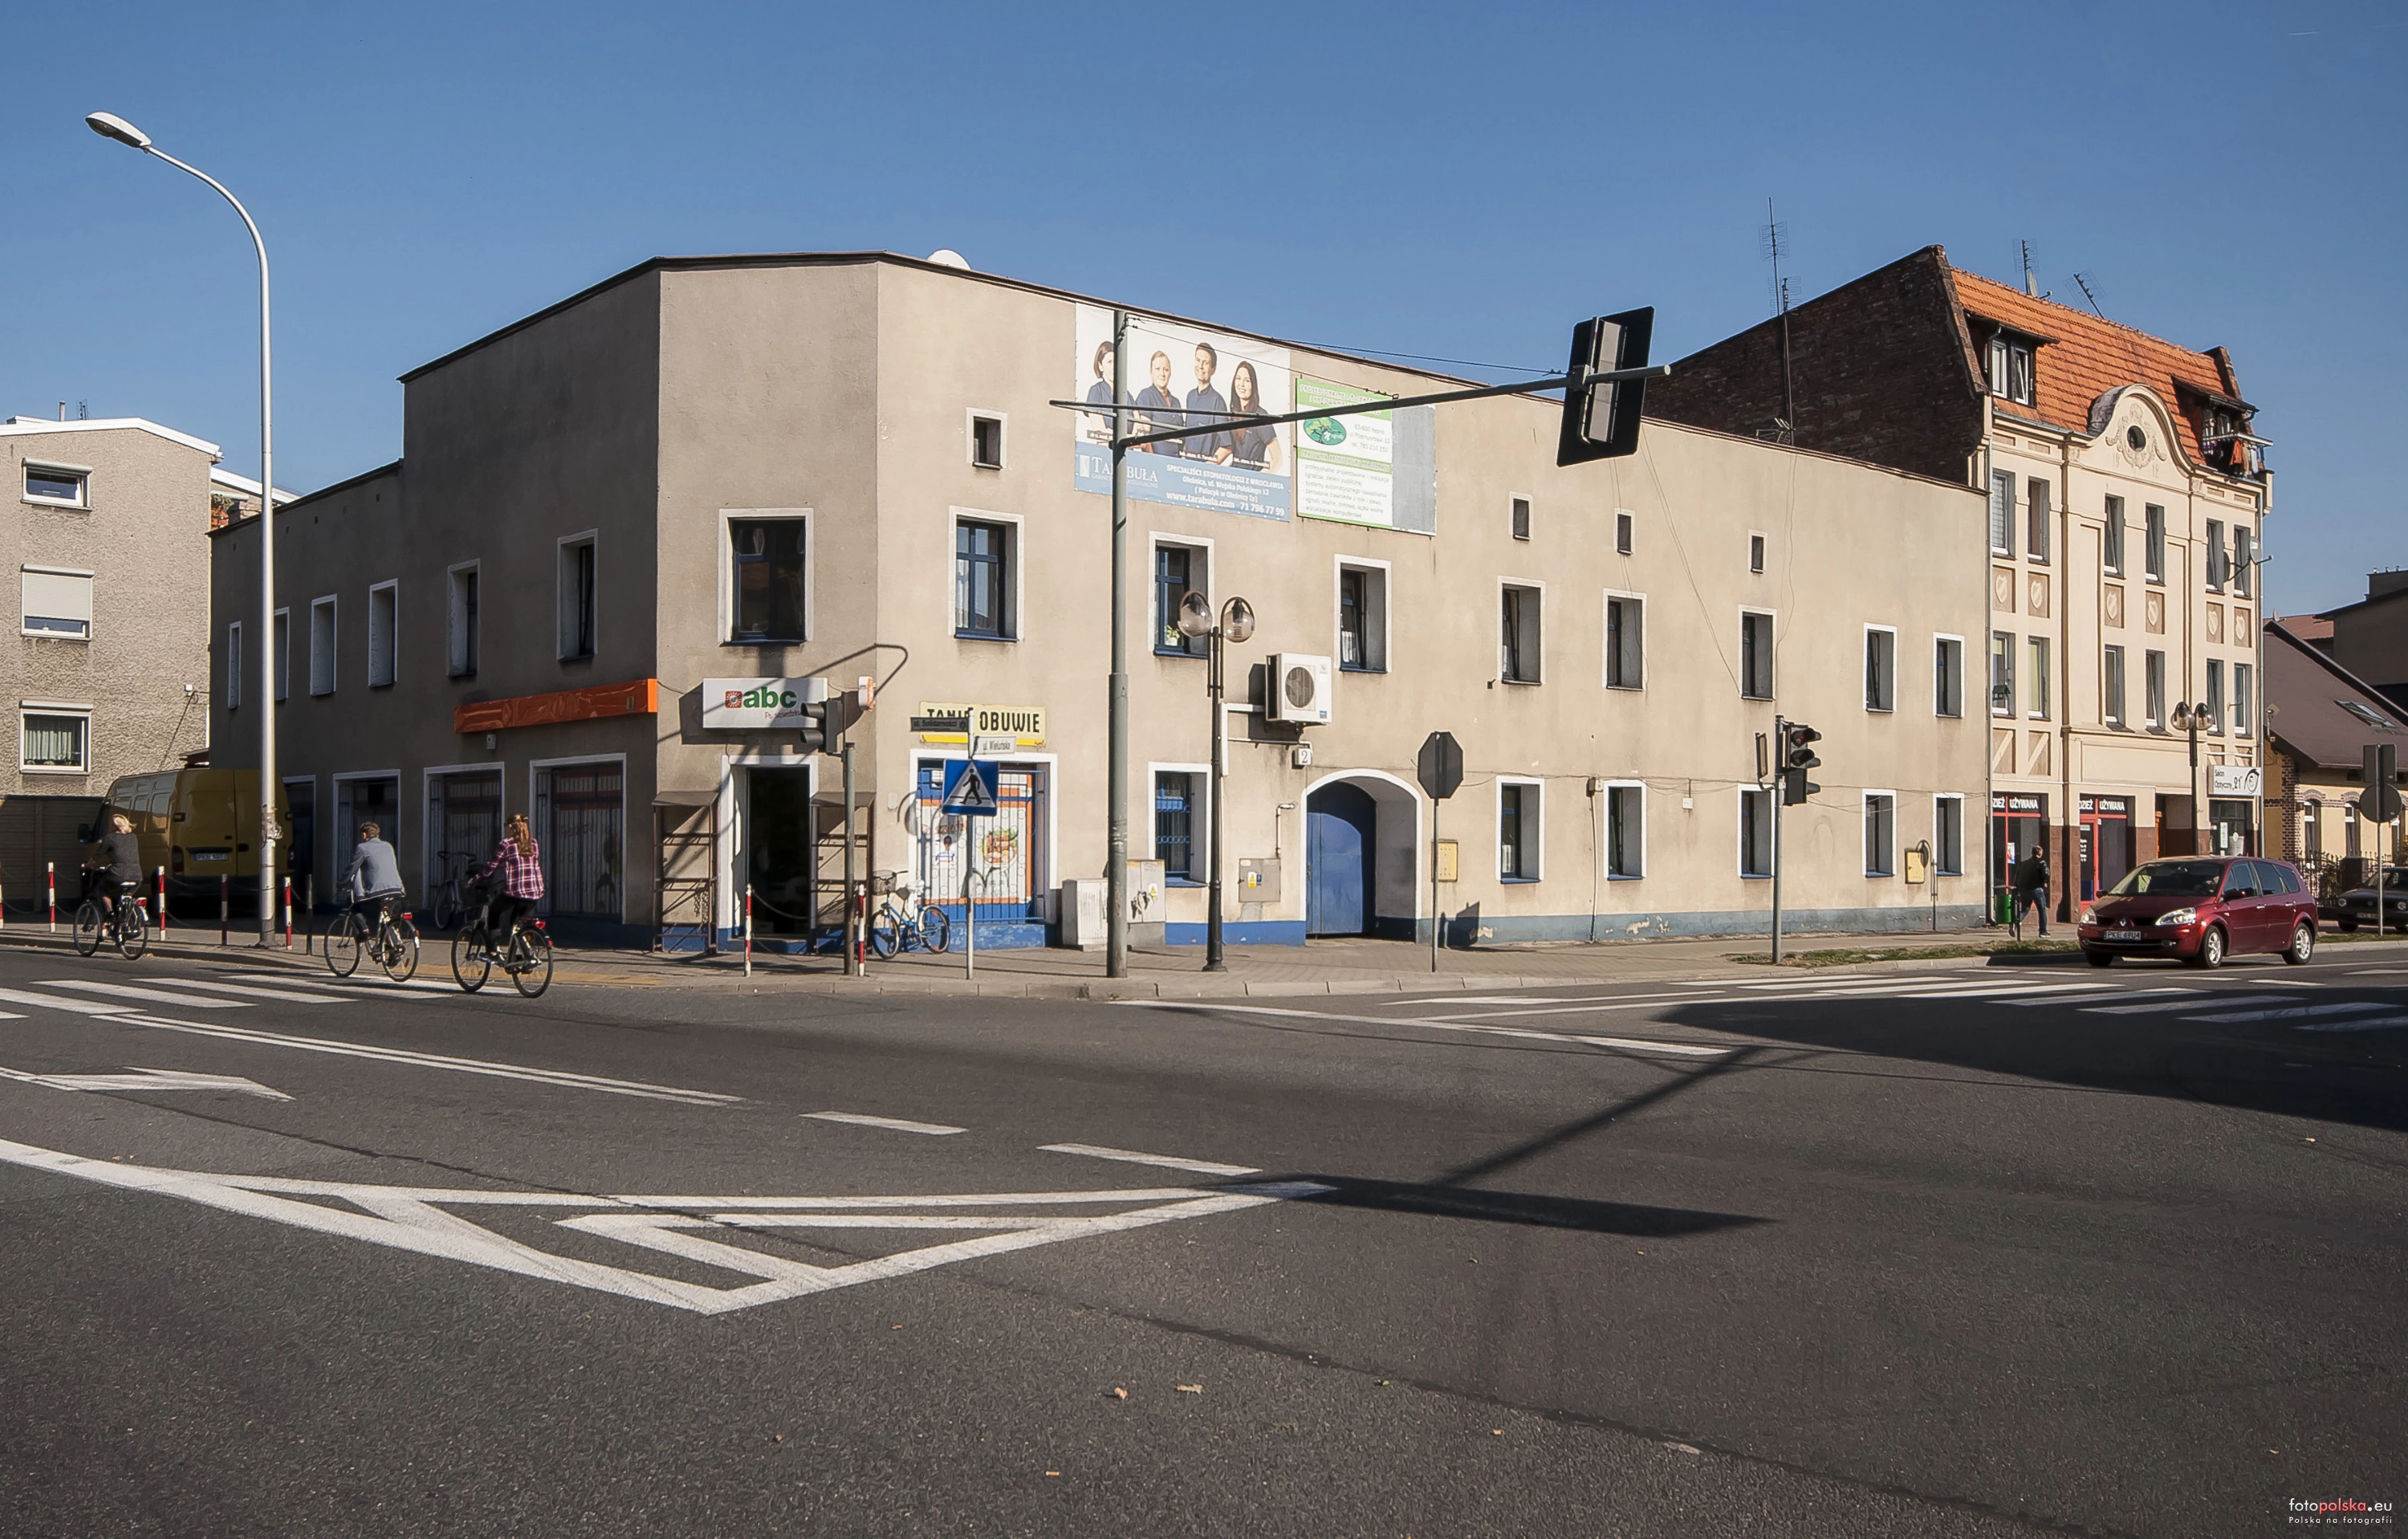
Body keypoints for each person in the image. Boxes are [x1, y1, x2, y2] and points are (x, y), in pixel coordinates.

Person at [474, 812, 546, 954]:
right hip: (535, 892)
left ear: (511, 827)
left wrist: (479, 877)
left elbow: (492, 866)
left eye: (507, 826)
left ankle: (494, 950)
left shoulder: (506, 844)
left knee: (494, 911)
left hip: (516, 892)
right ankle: (527, 956)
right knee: (516, 923)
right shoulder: (533, 843)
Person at [342, 820, 406, 933]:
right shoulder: (388, 846)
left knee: (355, 906)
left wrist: (340, 884)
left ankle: (364, 930)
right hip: (397, 891)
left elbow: (352, 869)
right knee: (387, 920)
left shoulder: (362, 848)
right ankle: (391, 941)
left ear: (364, 835)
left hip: (378, 894)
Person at [1224, 360, 1282, 472]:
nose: (1241, 384)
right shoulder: (1233, 414)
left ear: (1253, 385)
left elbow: (1277, 459)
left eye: (1247, 380)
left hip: (1251, 479)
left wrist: (1257, 478)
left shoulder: (1260, 416)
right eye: (1238, 378)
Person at [1183, 342, 1232, 463]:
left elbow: (1227, 447)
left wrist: (1206, 468)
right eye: (1198, 360)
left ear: (1213, 370)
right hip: (1186, 469)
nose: (1200, 366)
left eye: (1205, 363)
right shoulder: (1190, 396)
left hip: (1202, 471)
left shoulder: (1217, 401)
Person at [90, 812, 143, 918]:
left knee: (102, 888)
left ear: (115, 826)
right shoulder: (133, 837)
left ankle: (109, 913)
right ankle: (125, 914)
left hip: (118, 874)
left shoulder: (110, 838)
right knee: (127, 894)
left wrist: (88, 865)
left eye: (110, 824)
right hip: (137, 876)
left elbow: (98, 855)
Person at [1133, 350, 1183, 455]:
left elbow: (1182, 438)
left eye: (1166, 369)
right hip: (1157, 460)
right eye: (1158, 369)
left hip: (1177, 461)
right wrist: (1154, 461)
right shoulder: (1146, 396)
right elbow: (1145, 437)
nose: (1162, 374)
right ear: (1151, 372)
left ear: (1170, 373)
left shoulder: (1176, 402)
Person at [2011, 846, 2051, 938]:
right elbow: (2045, 873)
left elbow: (2017, 875)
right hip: (2036, 889)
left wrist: (2017, 887)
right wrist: (2045, 882)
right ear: (2040, 853)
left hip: (2024, 890)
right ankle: (2043, 931)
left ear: (2032, 853)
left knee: (2025, 909)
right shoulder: (2041, 862)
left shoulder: (2023, 863)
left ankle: (2015, 923)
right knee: (2042, 909)